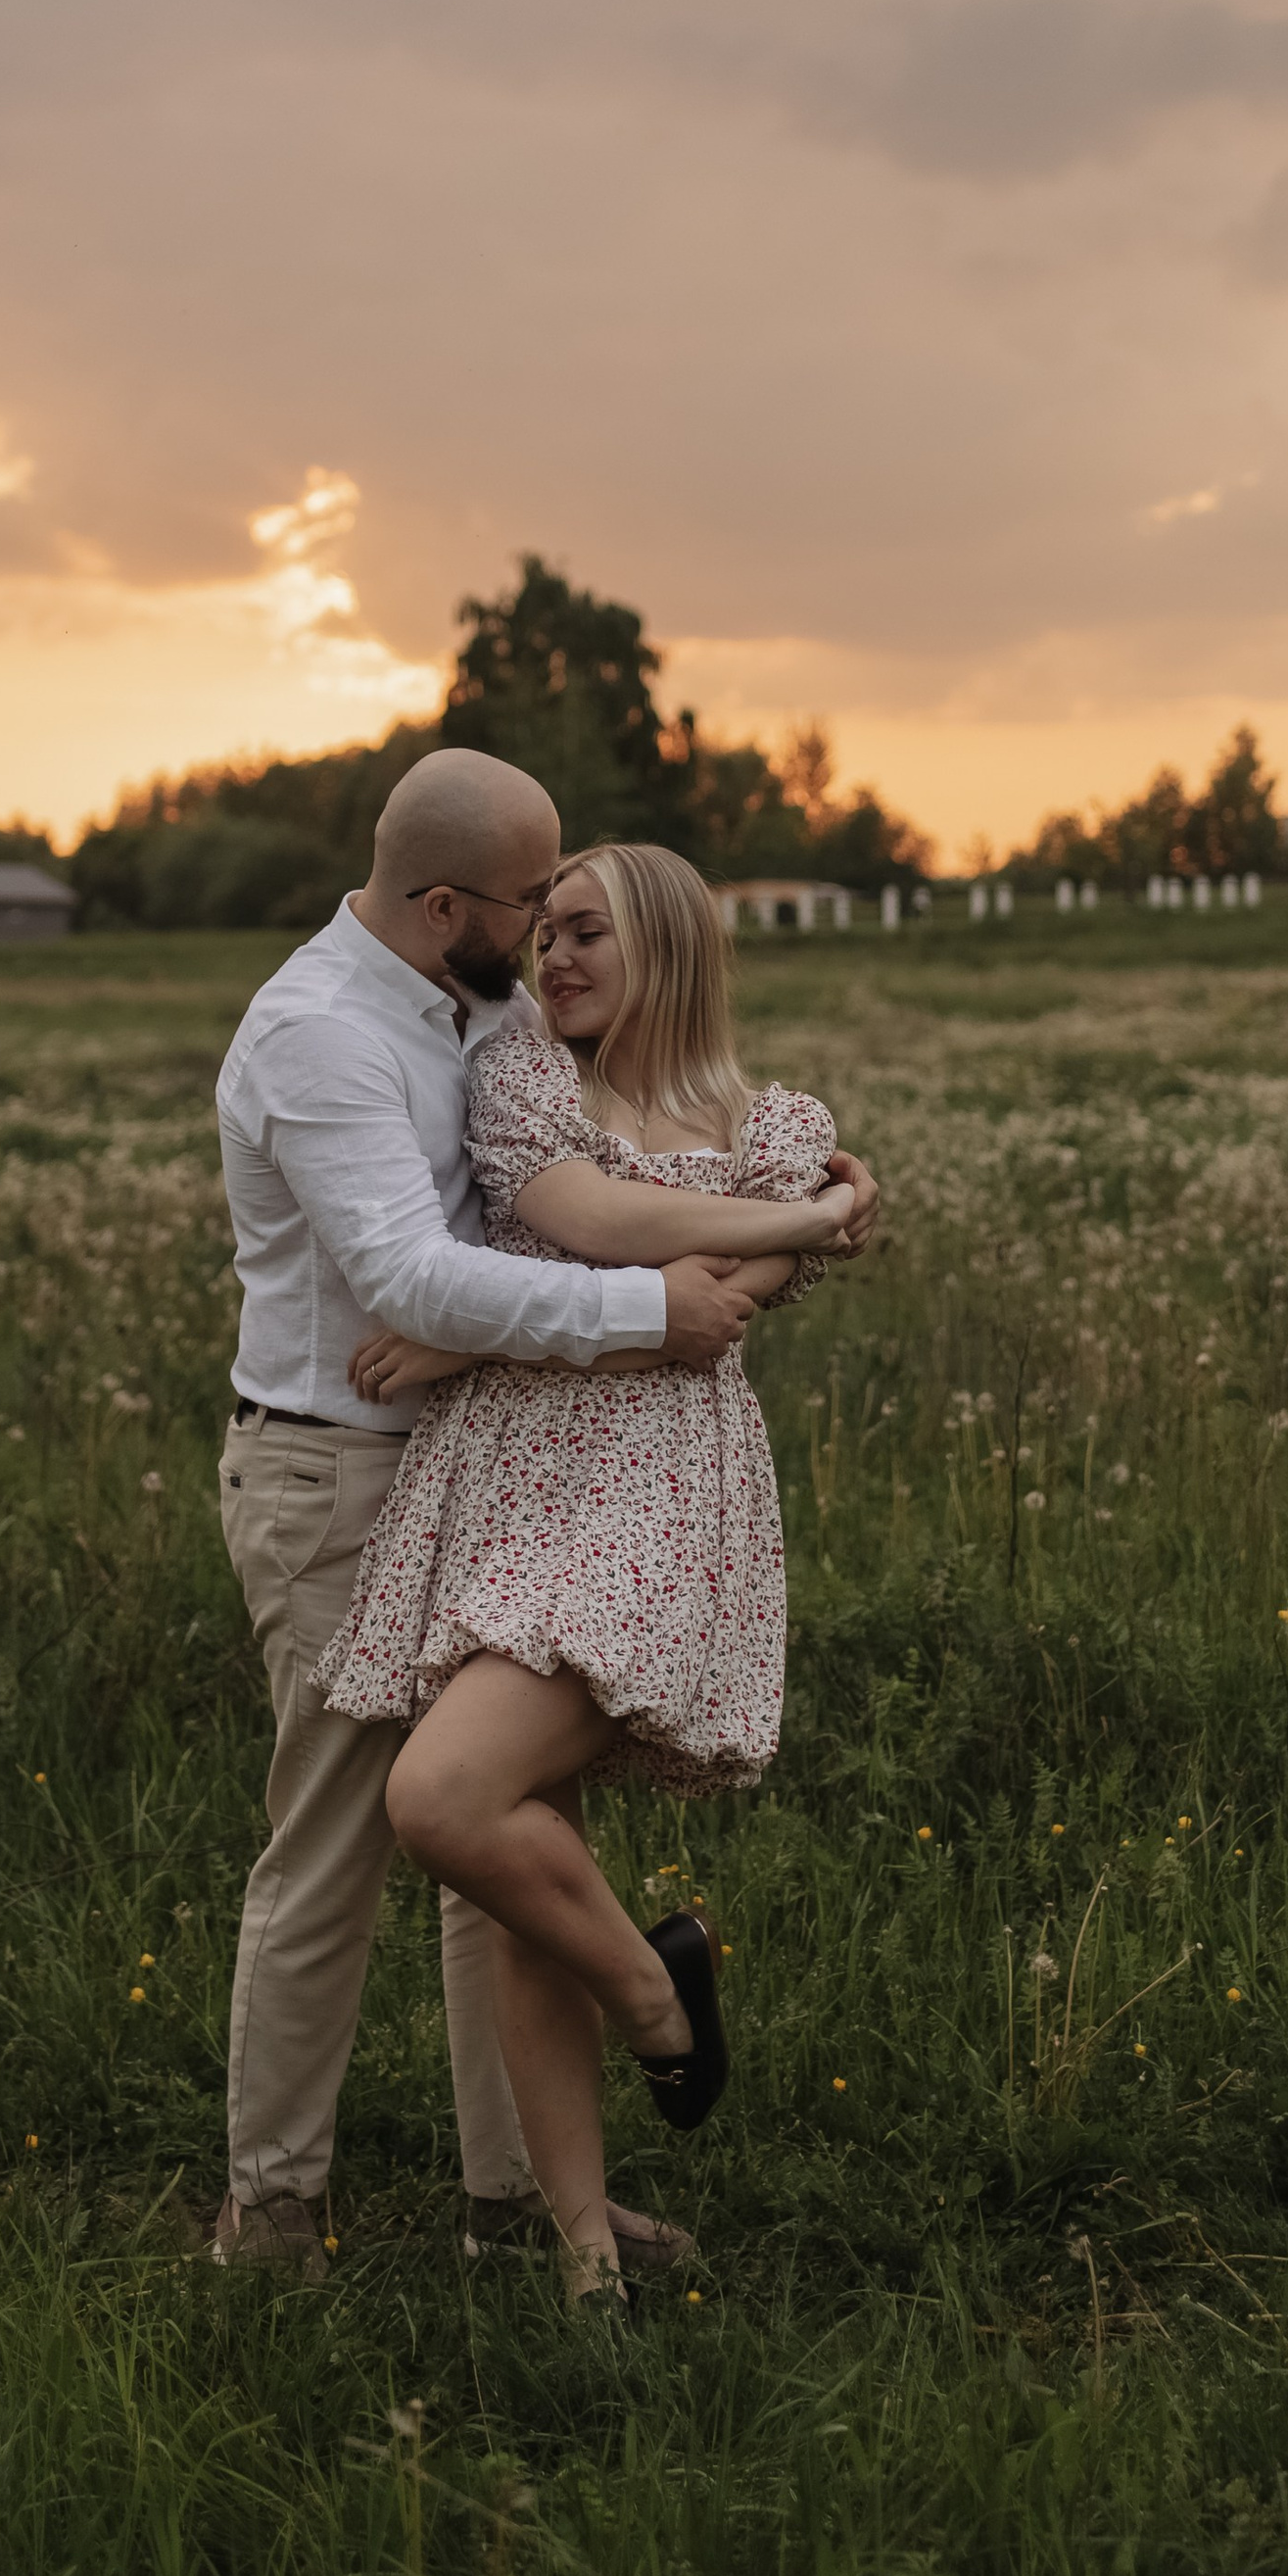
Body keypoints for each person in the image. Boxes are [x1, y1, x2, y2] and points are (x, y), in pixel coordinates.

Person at [211, 748, 877, 2284]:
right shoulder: (320, 1035)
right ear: (449, 906)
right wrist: (654, 1308)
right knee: (335, 1851)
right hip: (337, 1468)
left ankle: (516, 2215)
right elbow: (420, 1279)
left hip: (480, 1460)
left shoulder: (485, 1003)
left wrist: (820, 1206)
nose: (548, 937)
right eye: (531, 903)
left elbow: (648, 1142)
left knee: (499, 1847)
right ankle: (275, 2218)